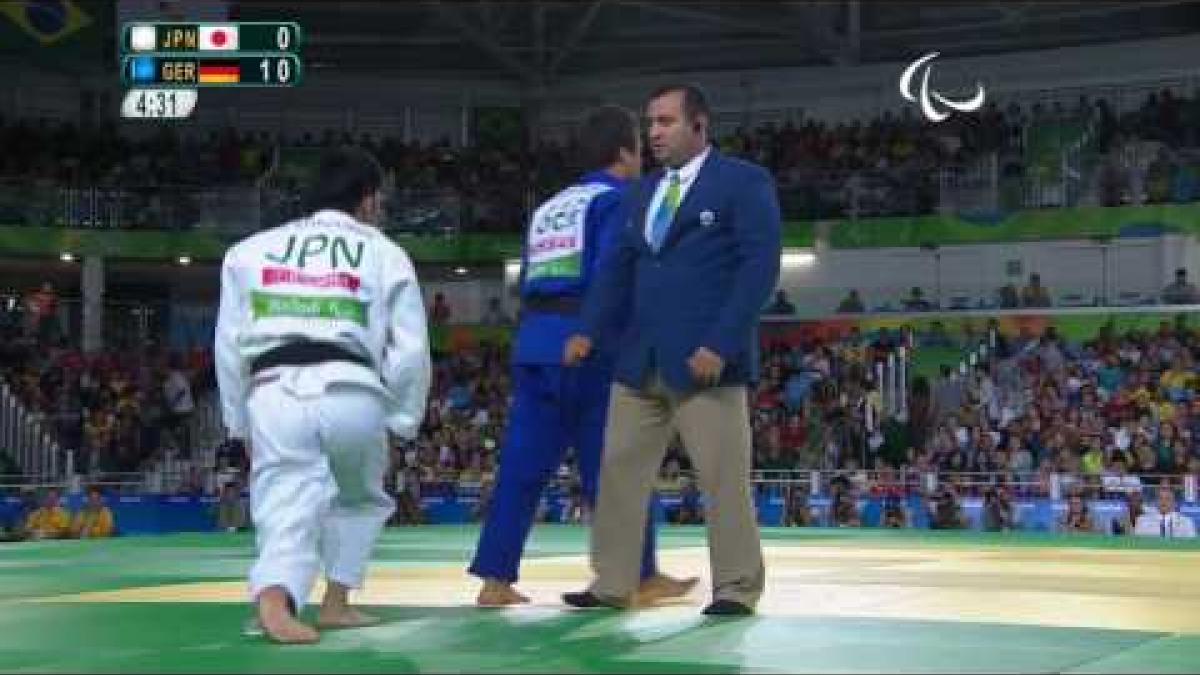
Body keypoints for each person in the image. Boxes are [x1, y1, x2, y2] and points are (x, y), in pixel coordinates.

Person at [563, 83, 780, 616]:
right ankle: (612, 582)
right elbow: (617, 269)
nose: (653, 133)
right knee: (617, 472)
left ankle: (735, 587)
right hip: (640, 358)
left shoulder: (743, 182)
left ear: (699, 125)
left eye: (665, 122)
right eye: (650, 124)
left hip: (706, 361)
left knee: (722, 479)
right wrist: (587, 328)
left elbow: (759, 269)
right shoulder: (642, 192)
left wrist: (721, 343)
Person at [467, 105, 695, 608]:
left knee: (522, 468)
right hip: (591, 345)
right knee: (618, 467)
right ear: (623, 152)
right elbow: (614, 274)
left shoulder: (550, 207)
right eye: (640, 143)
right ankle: (641, 574)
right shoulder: (622, 199)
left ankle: (495, 579)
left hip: (534, 344)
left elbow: (528, 279)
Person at [216, 146, 432, 644]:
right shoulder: (384, 252)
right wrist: (402, 419)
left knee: (285, 496)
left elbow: (229, 345)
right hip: (352, 387)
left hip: (274, 388)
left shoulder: (249, 251)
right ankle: (336, 604)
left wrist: (238, 424)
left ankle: (276, 598)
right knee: (360, 499)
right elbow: (410, 350)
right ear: (370, 200)